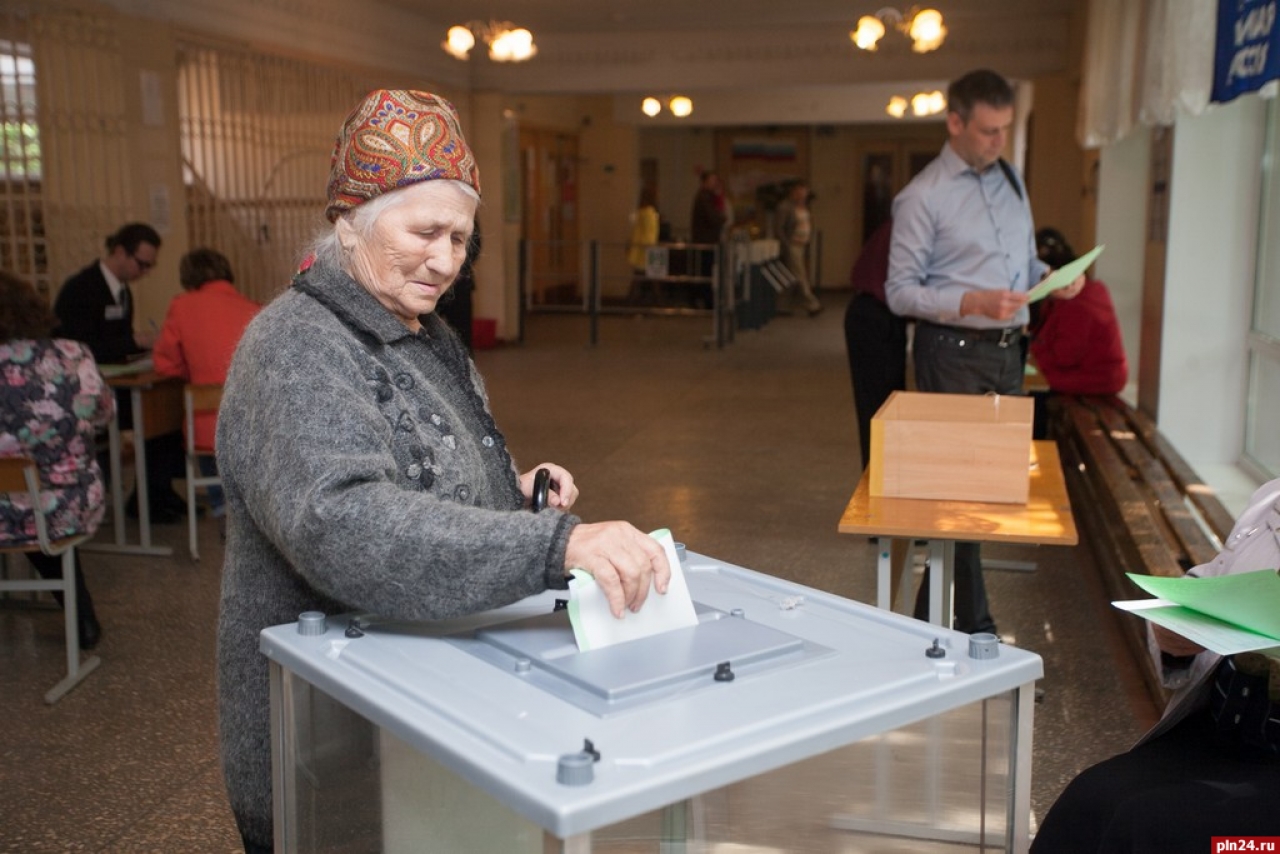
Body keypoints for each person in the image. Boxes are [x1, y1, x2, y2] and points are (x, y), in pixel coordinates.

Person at [215, 89, 673, 854]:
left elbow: (424, 476)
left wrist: (517, 493)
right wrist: (551, 546)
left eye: (460, 239)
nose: (445, 260)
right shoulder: (295, 346)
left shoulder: (420, 332)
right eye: (425, 231)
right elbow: (344, 524)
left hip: (420, 729)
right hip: (326, 752)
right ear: (347, 222)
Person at [884, 68, 1083, 635]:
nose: (998, 143)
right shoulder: (921, 196)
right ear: (955, 123)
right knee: (963, 494)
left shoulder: (1010, 179)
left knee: (987, 492)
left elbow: (1019, 263)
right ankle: (976, 627)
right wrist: (971, 299)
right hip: (952, 351)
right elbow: (900, 292)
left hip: (1006, 349)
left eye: (1005, 130)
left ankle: (931, 620)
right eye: (988, 131)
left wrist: (1052, 276)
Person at [1031, 478, 1280, 852]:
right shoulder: (1271, 499)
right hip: (1222, 734)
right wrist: (1175, 633)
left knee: (1149, 826)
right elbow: (1215, 578)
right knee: (1089, 800)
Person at [0, 270, 114, 649]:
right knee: (40, 504)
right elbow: (103, 414)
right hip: (67, 504)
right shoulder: (72, 355)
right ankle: (81, 618)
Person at [54, 222, 188, 523]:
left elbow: (118, 342)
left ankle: (155, 494)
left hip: (117, 381)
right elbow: (74, 344)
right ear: (119, 252)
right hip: (86, 390)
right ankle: (148, 498)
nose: (144, 272)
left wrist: (141, 349)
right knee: (155, 419)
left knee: (166, 413)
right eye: (142, 264)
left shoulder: (123, 292)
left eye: (149, 266)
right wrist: (133, 341)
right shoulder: (81, 288)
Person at [151, 248, 261, 524]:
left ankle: (219, 505)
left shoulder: (182, 306)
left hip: (205, 426)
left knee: (198, 430)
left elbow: (165, 365)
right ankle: (242, 506)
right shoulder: (253, 308)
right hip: (251, 423)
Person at [1028, 227, 1128, 396]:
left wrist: (1030, 353)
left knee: (1029, 389)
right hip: (1104, 374)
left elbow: (1064, 356)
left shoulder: (1075, 300)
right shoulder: (1094, 288)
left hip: (1094, 377)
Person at [843, 218, 907, 470]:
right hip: (873, 312)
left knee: (890, 407)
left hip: (883, 312)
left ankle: (884, 478)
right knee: (878, 412)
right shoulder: (919, 214)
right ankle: (877, 482)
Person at [775, 181, 823, 317]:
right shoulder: (785, 207)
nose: (803, 194)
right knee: (800, 275)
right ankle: (813, 304)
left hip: (802, 244)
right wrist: (786, 244)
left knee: (791, 276)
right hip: (792, 245)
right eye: (800, 191)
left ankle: (782, 305)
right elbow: (779, 228)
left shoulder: (803, 207)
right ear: (794, 192)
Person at [435, 217, 480, 352]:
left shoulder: (465, 214)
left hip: (459, 284)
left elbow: (476, 246)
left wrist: (456, 270)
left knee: (463, 335)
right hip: (432, 283)